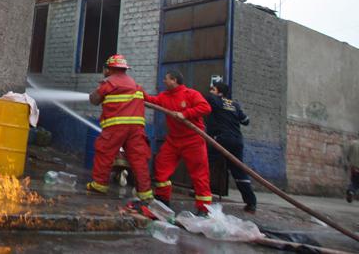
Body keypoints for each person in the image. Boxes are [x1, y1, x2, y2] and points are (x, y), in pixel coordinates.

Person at [86, 54, 154, 204]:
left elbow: (94, 100)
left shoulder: (109, 83)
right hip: (136, 129)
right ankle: (145, 193)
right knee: (138, 159)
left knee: (104, 153)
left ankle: (99, 185)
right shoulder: (136, 86)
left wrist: (95, 93)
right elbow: (148, 100)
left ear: (109, 69)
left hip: (115, 127)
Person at [146, 70, 213, 216]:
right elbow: (151, 101)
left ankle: (204, 208)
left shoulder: (191, 94)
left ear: (174, 80)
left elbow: (206, 108)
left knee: (199, 174)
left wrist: (185, 114)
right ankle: (163, 199)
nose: (164, 81)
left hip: (193, 139)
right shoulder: (164, 96)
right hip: (173, 140)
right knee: (161, 165)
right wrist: (137, 91)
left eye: (166, 79)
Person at [204, 81, 257, 213]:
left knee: (205, 164)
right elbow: (246, 121)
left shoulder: (215, 100)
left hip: (221, 140)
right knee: (239, 172)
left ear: (220, 93)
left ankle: (201, 193)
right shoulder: (235, 105)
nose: (211, 91)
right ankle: (251, 203)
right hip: (237, 141)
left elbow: (206, 99)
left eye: (213, 89)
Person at [344, 138, 359, 203]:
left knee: (354, 182)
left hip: (355, 167)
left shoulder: (353, 143)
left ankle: (351, 191)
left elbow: (348, 156)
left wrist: (350, 162)